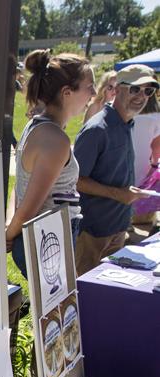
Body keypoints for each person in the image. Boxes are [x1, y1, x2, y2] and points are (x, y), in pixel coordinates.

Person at [4, 50, 95, 279]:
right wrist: (7, 235)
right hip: (46, 244)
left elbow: (20, 187)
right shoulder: (55, 140)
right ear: (67, 93)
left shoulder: (36, 126)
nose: (94, 94)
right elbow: (28, 209)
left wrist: (8, 226)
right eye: (89, 87)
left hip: (42, 241)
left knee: (52, 313)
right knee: (55, 314)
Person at [73, 64, 157, 274]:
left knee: (106, 295)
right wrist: (119, 194)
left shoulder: (127, 123)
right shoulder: (97, 129)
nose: (141, 96)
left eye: (148, 91)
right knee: (84, 295)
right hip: (93, 231)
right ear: (117, 89)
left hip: (118, 226)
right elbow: (75, 180)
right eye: (135, 89)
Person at [131, 91, 160, 229]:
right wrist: (154, 165)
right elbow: (156, 148)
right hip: (146, 164)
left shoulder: (128, 114)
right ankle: (146, 222)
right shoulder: (157, 117)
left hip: (126, 161)